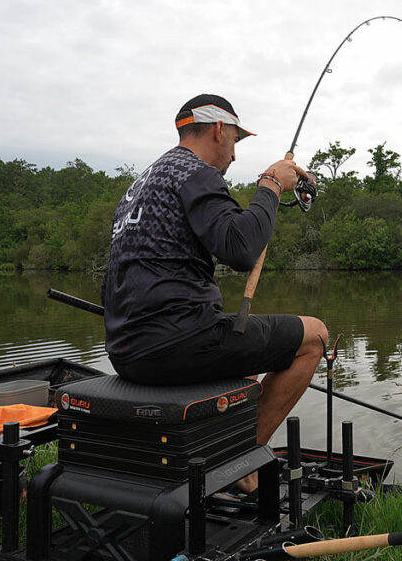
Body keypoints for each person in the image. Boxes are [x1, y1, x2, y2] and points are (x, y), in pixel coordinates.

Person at [101, 94, 325, 494]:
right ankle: (240, 459)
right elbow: (240, 249)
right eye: (236, 141)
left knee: (249, 346)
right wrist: (271, 184)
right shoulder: (196, 173)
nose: (235, 155)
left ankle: (216, 446)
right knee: (315, 336)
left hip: (125, 351)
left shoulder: (144, 182)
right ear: (219, 130)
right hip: (175, 345)